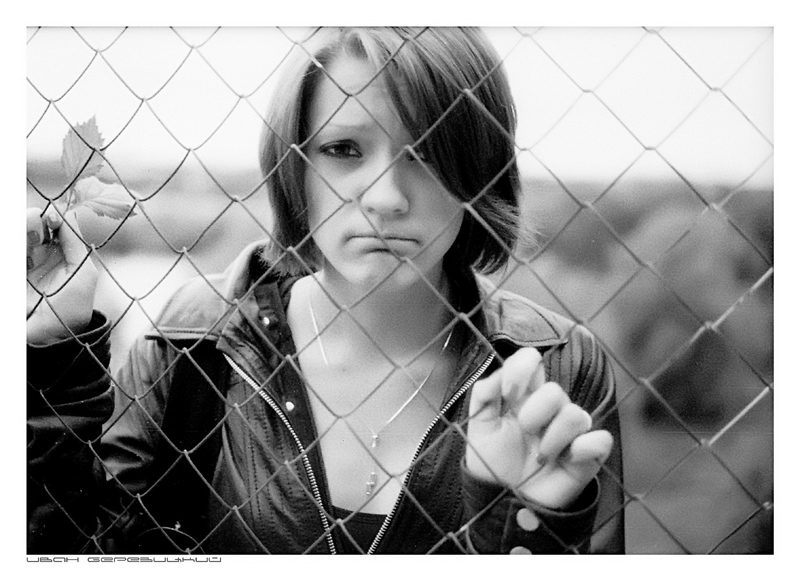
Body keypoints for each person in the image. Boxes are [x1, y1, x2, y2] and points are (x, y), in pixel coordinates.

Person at [27, 27, 624, 555]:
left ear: (478, 170)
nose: (387, 196)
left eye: (428, 152)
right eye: (344, 150)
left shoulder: (555, 368)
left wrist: (526, 529)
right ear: (295, 169)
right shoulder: (191, 347)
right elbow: (78, 552)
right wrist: (52, 355)